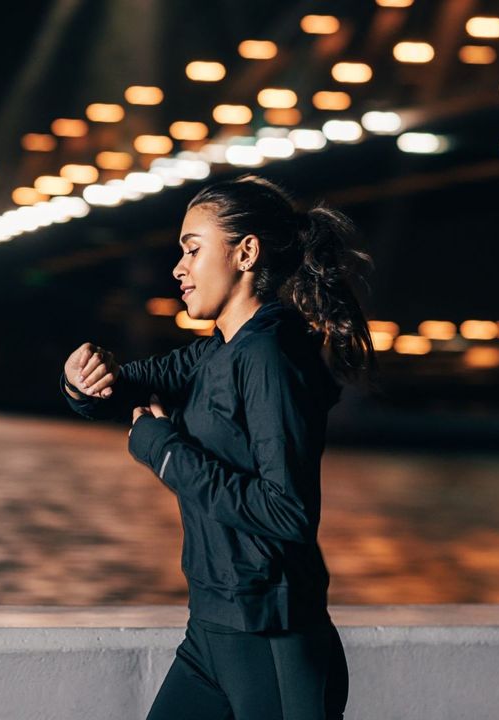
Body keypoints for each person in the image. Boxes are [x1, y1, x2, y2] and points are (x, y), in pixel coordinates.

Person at [58, 174, 379, 719]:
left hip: (271, 634)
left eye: (193, 250)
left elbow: (288, 511)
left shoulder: (271, 357)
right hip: (211, 631)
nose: (178, 269)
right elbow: (124, 384)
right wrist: (80, 381)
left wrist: (164, 451)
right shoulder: (216, 353)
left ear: (246, 252)